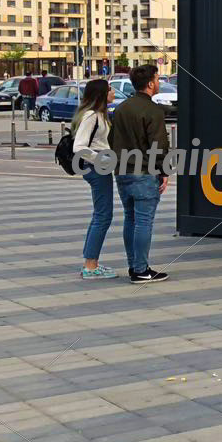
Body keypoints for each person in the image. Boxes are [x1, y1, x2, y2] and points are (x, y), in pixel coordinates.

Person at [109, 63, 170, 283]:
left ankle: (134, 266)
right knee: (144, 221)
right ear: (151, 83)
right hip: (143, 172)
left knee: (131, 219)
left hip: (122, 171)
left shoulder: (121, 109)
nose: (159, 82)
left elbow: (112, 139)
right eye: (158, 79)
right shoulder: (153, 110)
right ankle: (141, 269)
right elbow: (158, 146)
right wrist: (164, 171)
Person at [72, 78, 117, 279]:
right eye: (110, 89)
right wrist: (101, 160)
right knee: (103, 215)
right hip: (96, 168)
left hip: (98, 167)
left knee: (100, 215)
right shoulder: (91, 116)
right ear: (101, 94)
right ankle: (90, 266)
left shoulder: (100, 114)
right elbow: (79, 147)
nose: (113, 92)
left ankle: (91, 262)